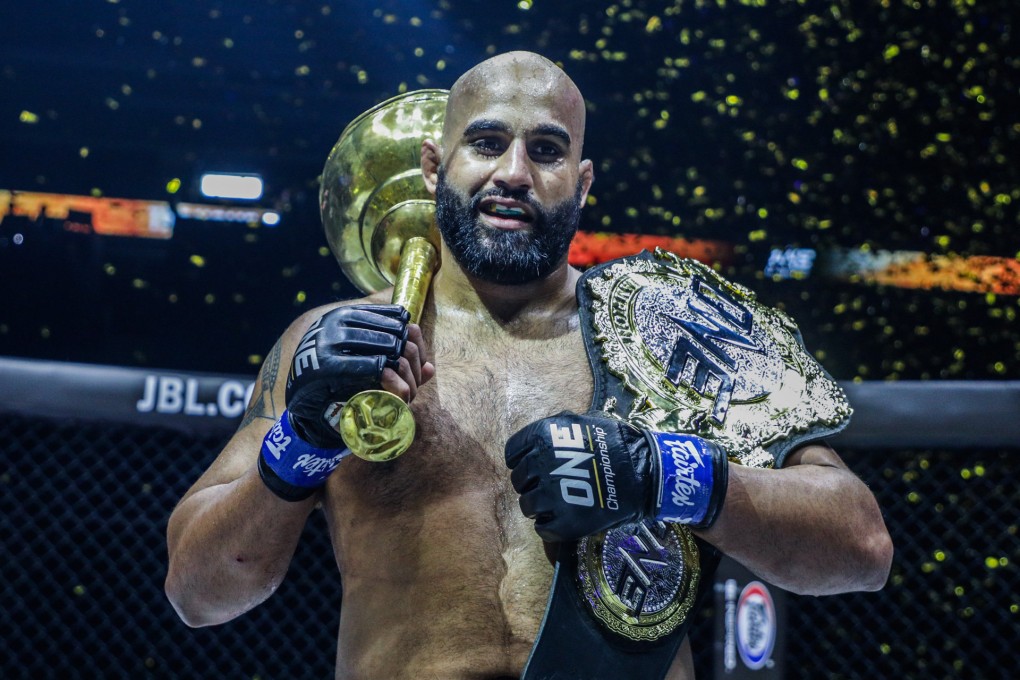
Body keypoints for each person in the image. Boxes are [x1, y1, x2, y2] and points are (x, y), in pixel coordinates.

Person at [165, 51, 893, 679]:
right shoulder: (330, 341)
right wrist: (301, 440)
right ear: (433, 165)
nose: (513, 172)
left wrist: (665, 473)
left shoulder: (674, 331)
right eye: (486, 142)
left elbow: (861, 549)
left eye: (545, 151)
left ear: (581, 183)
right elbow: (200, 593)